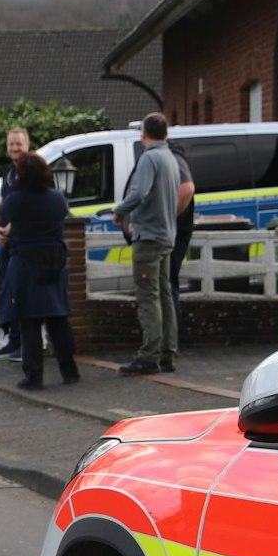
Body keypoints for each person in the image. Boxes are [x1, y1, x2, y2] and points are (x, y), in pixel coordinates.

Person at [0, 152, 79, 389]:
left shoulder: (15, 200)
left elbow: (5, 217)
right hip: (54, 261)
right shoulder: (57, 199)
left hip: (26, 263)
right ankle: (69, 370)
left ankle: (34, 376)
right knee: (58, 318)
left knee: (29, 320)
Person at [111, 112, 180, 375]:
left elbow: (139, 192)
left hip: (149, 239)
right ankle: (167, 353)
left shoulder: (149, 158)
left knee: (148, 296)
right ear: (166, 133)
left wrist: (121, 210)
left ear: (143, 134)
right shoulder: (170, 158)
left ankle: (149, 356)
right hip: (166, 236)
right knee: (165, 295)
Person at [0, 127, 31, 360]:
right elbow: (2, 202)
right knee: (8, 292)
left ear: (27, 145)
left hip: (21, 242)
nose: (14, 148)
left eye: (18, 144)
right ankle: (13, 340)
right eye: (11, 144)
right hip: (5, 242)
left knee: (21, 292)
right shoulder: (8, 172)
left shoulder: (30, 172)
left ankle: (25, 344)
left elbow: (26, 206)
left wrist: (8, 229)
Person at [166, 142, 197, 345]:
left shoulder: (174, 158)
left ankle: (171, 341)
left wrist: (167, 217)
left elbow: (187, 189)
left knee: (169, 285)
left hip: (175, 232)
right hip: (178, 230)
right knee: (169, 284)